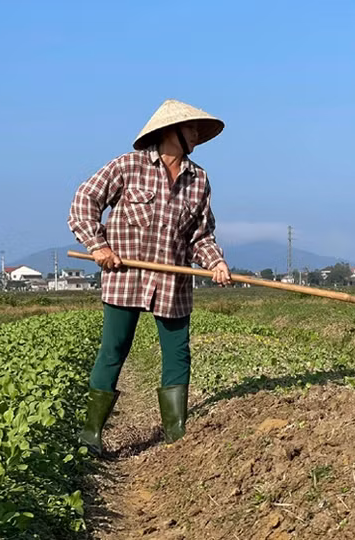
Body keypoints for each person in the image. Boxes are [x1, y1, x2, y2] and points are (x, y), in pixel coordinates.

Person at [68, 99, 231, 456]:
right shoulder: (128, 166)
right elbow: (84, 201)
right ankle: (91, 434)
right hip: (126, 276)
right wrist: (98, 246)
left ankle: (175, 435)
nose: (195, 135)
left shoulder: (198, 179)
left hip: (172, 283)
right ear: (170, 132)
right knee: (113, 350)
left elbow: (201, 235)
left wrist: (216, 263)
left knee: (177, 354)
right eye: (190, 128)